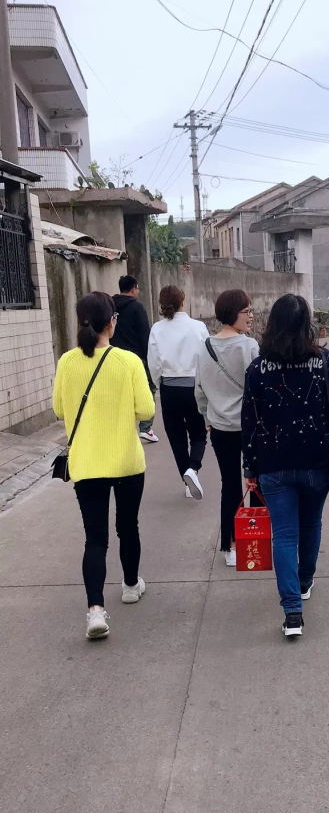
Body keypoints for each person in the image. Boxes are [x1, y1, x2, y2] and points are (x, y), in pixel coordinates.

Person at [242, 294, 329, 638]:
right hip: (318, 461)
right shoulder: (325, 362)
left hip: (273, 464)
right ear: (307, 324)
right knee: (311, 522)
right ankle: (304, 581)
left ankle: (292, 612)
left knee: (284, 534)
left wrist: (250, 469)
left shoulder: (258, 369)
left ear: (272, 324)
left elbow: (249, 422)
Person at [52, 291, 155, 640]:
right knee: (128, 527)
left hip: (86, 464)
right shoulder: (128, 361)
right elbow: (146, 410)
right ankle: (130, 585)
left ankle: (95, 610)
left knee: (95, 538)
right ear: (112, 322)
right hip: (126, 461)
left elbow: (59, 409)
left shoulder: (67, 362)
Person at [195, 289, 260, 567]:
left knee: (230, 484)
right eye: (247, 311)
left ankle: (230, 546)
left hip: (220, 427)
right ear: (233, 313)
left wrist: (207, 417)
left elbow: (199, 389)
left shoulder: (205, 347)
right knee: (257, 482)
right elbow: (258, 389)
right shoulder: (249, 347)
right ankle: (256, 539)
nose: (251, 316)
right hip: (250, 426)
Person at [147, 285, 209, 499]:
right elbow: (206, 358)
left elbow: (153, 362)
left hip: (169, 387)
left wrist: (159, 383)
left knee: (176, 436)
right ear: (183, 301)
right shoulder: (198, 327)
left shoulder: (157, 328)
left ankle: (187, 478)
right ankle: (193, 468)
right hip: (194, 385)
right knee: (199, 433)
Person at [111, 274, 159, 443]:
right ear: (133, 289)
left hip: (114, 357)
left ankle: (122, 427)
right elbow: (145, 335)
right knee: (149, 386)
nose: (138, 291)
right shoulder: (137, 307)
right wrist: (149, 359)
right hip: (136, 358)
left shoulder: (110, 305)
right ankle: (146, 428)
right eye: (137, 288)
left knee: (122, 392)